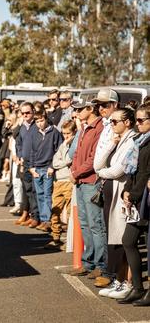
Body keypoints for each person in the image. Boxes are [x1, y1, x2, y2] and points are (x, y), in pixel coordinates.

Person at [93, 107, 137, 297]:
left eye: (114, 121)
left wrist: (101, 173)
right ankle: (119, 280)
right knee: (115, 239)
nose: (110, 125)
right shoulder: (118, 140)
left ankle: (127, 283)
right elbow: (97, 164)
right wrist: (111, 144)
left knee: (123, 241)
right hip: (111, 195)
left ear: (127, 122)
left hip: (122, 195)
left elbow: (118, 170)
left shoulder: (132, 140)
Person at [69, 101, 106, 278]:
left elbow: (94, 159)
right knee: (84, 223)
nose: (76, 113)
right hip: (80, 181)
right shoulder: (84, 128)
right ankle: (88, 262)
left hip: (92, 182)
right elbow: (76, 153)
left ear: (90, 109)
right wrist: (74, 171)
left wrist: (76, 172)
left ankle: (101, 264)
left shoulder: (100, 128)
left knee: (96, 225)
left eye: (79, 109)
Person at [118, 104, 150, 305]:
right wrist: (126, 191)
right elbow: (132, 170)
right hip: (137, 198)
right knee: (128, 241)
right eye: (136, 120)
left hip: (146, 199)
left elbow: (147, 172)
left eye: (141, 120)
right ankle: (138, 288)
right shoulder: (139, 140)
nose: (137, 124)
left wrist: (135, 194)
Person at [46, 120, 77, 250]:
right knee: (55, 210)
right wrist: (62, 163)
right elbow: (55, 161)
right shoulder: (63, 144)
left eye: (68, 133)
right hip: (58, 181)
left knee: (70, 213)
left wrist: (60, 163)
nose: (65, 136)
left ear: (74, 131)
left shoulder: (75, 144)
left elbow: (71, 159)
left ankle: (71, 241)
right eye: (64, 133)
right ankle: (55, 237)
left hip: (69, 182)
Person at [29, 111, 62, 232]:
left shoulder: (54, 132)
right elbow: (32, 151)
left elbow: (58, 151)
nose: (40, 124)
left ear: (46, 119)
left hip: (48, 168)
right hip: (37, 169)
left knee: (48, 195)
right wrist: (31, 167)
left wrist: (52, 166)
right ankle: (43, 219)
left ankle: (48, 221)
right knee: (40, 195)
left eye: (41, 121)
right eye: (37, 122)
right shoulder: (35, 133)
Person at [15, 102, 40, 228]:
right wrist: (20, 156)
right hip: (25, 163)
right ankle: (32, 215)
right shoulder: (22, 127)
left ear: (33, 112)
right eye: (23, 113)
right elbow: (18, 143)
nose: (25, 115)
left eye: (28, 112)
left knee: (36, 191)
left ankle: (37, 217)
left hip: (36, 163)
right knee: (28, 191)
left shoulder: (38, 125)